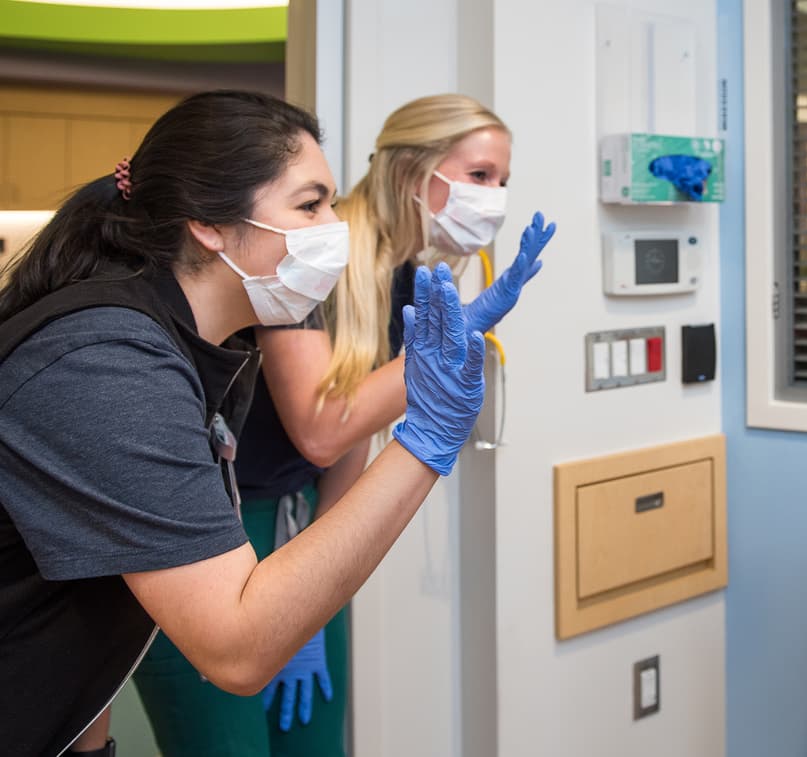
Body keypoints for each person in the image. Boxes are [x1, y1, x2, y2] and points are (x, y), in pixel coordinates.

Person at [0, 90, 489, 757]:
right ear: (207, 221)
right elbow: (237, 646)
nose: (333, 227)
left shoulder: (198, 348)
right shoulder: (106, 361)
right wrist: (424, 442)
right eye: (310, 204)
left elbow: (83, 597)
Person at [131, 93, 554, 756]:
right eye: (478, 176)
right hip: (219, 522)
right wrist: (442, 350)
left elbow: (348, 445)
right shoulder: (307, 257)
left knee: (315, 740)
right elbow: (322, 427)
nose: (493, 199)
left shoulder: (408, 275)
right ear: (414, 170)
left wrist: (318, 596)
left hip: (303, 518)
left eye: (502, 180)